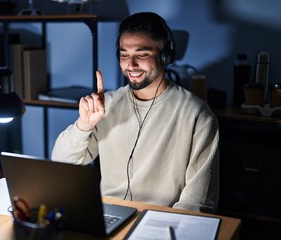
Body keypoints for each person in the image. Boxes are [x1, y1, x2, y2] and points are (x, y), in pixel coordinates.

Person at [52, 12, 219, 213]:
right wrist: (83, 126)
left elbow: (197, 202)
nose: (130, 65)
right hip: (106, 215)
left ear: (165, 55)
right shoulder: (107, 104)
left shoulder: (197, 114)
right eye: (124, 55)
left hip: (161, 221)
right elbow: (62, 164)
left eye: (142, 54)